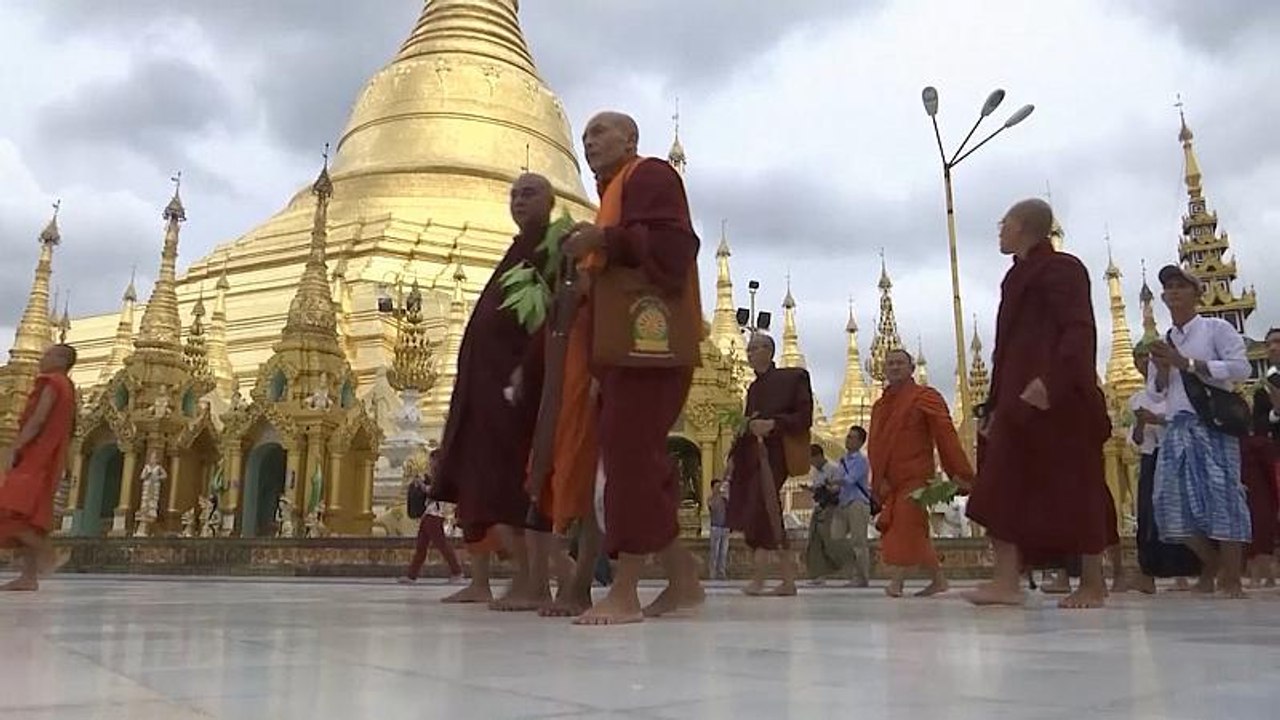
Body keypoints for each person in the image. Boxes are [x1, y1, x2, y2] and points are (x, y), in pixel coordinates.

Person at [556, 111, 705, 625]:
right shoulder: (612, 197)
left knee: (630, 460)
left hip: (650, 344)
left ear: (631, 139)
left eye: (600, 132)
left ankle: (625, 589)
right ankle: (684, 582)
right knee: (635, 459)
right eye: (585, 135)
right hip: (623, 348)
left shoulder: (652, 175)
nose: (589, 141)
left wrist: (605, 242)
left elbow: (675, 247)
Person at [965, 199, 1114, 609]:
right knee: (1000, 487)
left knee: (1077, 486)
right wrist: (993, 406)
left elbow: (1079, 329)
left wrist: (1054, 382)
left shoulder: (1063, 268)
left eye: (1005, 223)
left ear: (1025, 227)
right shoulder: (1016, 277)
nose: (1000, 230)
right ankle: (1006, 581)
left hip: (1058, 398)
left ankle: (1093, 583)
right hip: (1016, 399)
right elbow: (1006, 350)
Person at [432, 173, 554, 609]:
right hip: (479, 383)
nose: (519, 201)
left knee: (505, 485)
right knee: (471, 481)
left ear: (551, 201)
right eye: (514, 195)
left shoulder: (551, 250)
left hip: (512, 385)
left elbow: (549, 319)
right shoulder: (517, 248)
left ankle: (528, 578)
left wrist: (526, 368)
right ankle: (479, 579)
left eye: (530, 193)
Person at [1149, 264, 1253, 598]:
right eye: (1169, 287)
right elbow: (1156, 392)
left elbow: (1241, 367)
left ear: (1196, 293)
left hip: (1212, 425)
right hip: (1178, 428)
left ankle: (1232, 578)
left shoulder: (1215, 329)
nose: (1174, 292)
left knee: (1223, 497)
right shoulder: (1165, 340)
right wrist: (1165, 369)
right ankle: (1212, 564)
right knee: (1168, 503)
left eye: (1181, 286)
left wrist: (1190, 365)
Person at [869, 348, 974, 598]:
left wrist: (959, 472)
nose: (894, 367)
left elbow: (945, 435)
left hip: (915, 476)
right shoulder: (881, 406)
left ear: (911, 368)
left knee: (905, 527)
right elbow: (875, 444)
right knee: (911, 529)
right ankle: (939, 580)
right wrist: (879, 478)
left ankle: (897, 583)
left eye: (900, 363)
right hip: (891, 480)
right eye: (890, 363)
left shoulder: (925, 397)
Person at [727, 332, 814, 597]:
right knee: (765, 512)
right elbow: (748, 423)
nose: (750, 354)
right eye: (749, 350)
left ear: (769, 351)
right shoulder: (754, 388)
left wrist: (774, 424)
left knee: (762, 508)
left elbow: (804, 417)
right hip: (752, 456)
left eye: (755, 349)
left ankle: (761, 578)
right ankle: (786, 580)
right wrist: (732, 459)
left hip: (776, 454)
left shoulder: (792, 379)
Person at [0, 343, 78, 591]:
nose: (42, 358)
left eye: (48, 354)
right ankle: (28, 576)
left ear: (60, 360)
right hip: (50, 458)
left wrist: (16, 447)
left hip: (36, 456)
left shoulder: (52, 383)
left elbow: (38, 419)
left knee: (11, 511)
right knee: (30, 516)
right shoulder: (67, 387)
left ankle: (50, 556)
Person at [1129, 342, 1202, 594]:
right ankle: (1149, 572)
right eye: (1138, 358)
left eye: (1146, 357)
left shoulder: (1177, 390)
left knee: (1182, 511)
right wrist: (1140, 423)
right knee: (1149, 515)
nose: (1142, 362)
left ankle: (1188, 572)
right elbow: (1137, 439)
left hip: (1178, 452)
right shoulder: (1137, 398)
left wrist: (1157, 419)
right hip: (1151, 456)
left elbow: (1184, 420)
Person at [1245, 327, 1280, 587]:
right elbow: (1259, 425)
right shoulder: (1263, 387)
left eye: (1277, 342)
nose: (1272, 348)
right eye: (1268, 344)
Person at [399, 450, 462, 584]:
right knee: (422, 545)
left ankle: (457, 571)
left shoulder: (444, 477)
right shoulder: (435, 476)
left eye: (432, 460)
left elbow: (434, 492)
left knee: (441, 544)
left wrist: (422, 486)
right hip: (429, 512)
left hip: (437, 513)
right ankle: (412, 575)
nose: (430, 463)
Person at [833, 425, 872, 587]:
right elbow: (838, 480)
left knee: (858, 541)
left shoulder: (861, 461)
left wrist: (836, 481)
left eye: (851, 437)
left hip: (857, 502)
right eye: (847, 436)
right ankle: (851, 572)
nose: (847, 440)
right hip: (843, 502)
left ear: (860, 442)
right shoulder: (842, 461)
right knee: (836, 538)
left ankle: (861, 577)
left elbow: (849, 480)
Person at [804, 444, 848, 585]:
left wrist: (828, 488)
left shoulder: (833, 469)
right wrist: (812, 489)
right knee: (814, 541)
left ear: (818, 456)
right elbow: (818, 489)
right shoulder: (815, 472)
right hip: (818, 506)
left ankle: (846, 565)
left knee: (829, 541)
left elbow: (838, 488)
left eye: (811, 459)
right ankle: (818, 574)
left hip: (830, 508)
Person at [707, 478, 731, 580]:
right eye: (716, 487)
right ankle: (712, 572)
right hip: (715, 527)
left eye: (719, 486)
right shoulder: (711, 499)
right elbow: (711, 507)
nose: (718, 489)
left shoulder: (724, 499)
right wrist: (716, 497)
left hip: (725, 528)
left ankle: (722, 572)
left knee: (723, 551)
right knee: (715, 552)